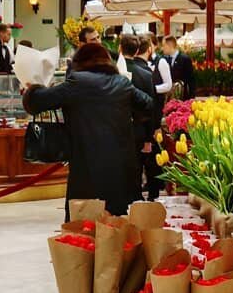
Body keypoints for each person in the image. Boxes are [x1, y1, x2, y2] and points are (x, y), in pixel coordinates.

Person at [23, 42, 154, 217]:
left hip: (85, 164)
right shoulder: (122, 83)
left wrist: (31, 89)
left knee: (83, 223)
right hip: (121, 166)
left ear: (79, 62)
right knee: (117, 224)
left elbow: (36, 102)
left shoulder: (76, 83)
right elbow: (148, 105)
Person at [122, 35, 156, 201]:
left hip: (117, 128)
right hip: (139, 129)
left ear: (120, 49)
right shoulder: (146, 74)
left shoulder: (114, 72)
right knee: (136, 169)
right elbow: (150, 108)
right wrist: (149, 138)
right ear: (137, 51)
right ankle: (135, 202)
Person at [162, 35, 196, 101]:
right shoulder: (164, 59)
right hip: (169, 98)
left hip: (183, 97)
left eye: (164, 45)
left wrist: (191, 97)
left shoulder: (185, 59)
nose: (162, 48)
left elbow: (191, 79)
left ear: (170, 46)